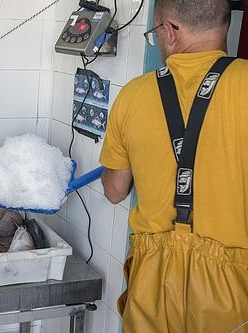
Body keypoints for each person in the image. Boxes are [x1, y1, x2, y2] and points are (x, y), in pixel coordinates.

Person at [100, 0, 248, 332]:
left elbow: (114, 190)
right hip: (234, 294)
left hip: (153, 284)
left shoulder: (132, 96)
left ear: (170, 30)